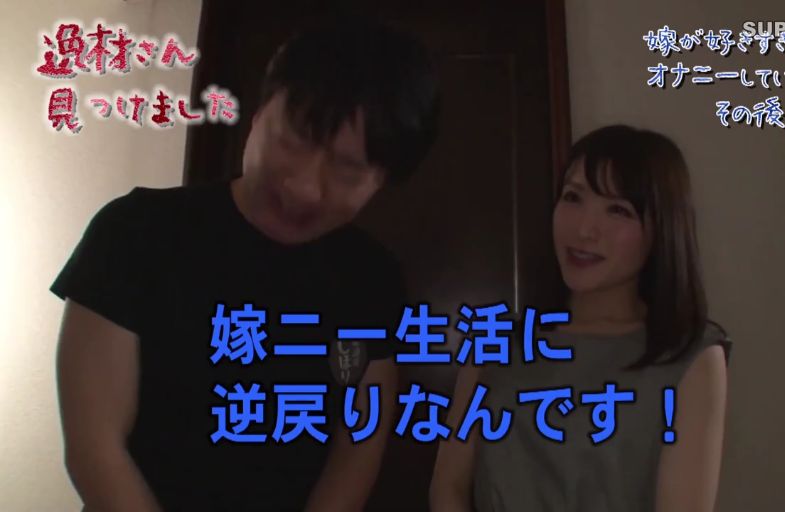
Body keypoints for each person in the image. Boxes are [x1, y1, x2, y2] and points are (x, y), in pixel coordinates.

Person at [52, 16, 440, 512]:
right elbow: (95, 449)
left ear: (382, 181)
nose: (304, 188)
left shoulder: (372, 277)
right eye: (294, 140)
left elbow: (357, 444)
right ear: (258, 116)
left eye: (347, 170)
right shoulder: (134, 232)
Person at [430, 125, 730, 512]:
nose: (585, 230)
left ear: (662, 227)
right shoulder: (496, 341)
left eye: (618, 210)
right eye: (573, 197)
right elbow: (448, 486)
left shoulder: (689, 355)